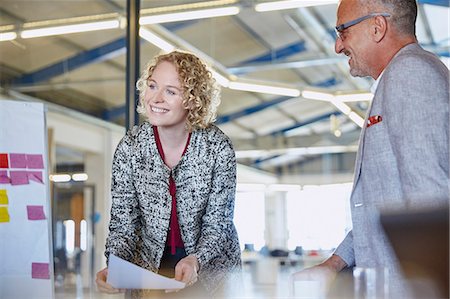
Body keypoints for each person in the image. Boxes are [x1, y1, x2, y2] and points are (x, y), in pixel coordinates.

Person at [292, 0, 449, 298]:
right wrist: (336, 262)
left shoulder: (411, 74)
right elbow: (385, 206)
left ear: (377, 27)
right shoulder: (397, 77)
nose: (338, 46)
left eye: (343, 31)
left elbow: (431, 201)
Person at [95, 50, 241, 298]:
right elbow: (123, 223)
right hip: (149, 274)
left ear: (193, 100)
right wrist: (115, 266)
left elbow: (218, 225)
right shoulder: (131, 147)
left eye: (170, 91)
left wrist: (196, 259)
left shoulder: (217, 147)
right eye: (152, 86)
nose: (156, 98)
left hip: (209, 274)